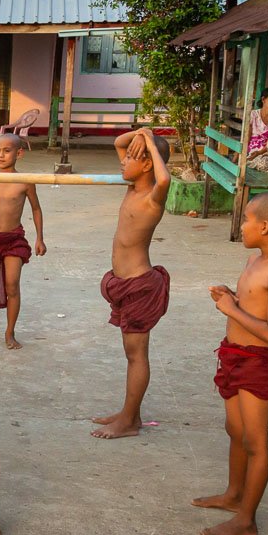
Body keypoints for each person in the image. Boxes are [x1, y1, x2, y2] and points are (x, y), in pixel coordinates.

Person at [193, 192, 268, 535]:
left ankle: (247, 521)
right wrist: (233, 298)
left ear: (265, 227)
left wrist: (231, 310)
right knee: (235, 431)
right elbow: (254, 306)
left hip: (258, 362)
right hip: (234, 354)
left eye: (247, 220)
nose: (241, 226)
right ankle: (234, 495)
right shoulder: (254, 261)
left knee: (255, 442)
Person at [91, 128, 172, 440]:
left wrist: (149, 141)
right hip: (122, 284)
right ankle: (130, 413)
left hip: (140, 286)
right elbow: (118, 142)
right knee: (131, 353)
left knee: (136, 354)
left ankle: (127, 421)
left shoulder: (152, 198)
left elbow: (164, 180)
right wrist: (139, 133)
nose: (122, 161)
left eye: (131, 158)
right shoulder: (132, 188)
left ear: (148, 164)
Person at [0, 134, 46, 350]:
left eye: (7, 151)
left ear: (19, 153)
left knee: (12, 285)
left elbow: (36, 209)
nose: (1, 155)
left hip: (13, 240)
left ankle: (10, 332)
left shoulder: (25, 181)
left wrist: (40, 238)